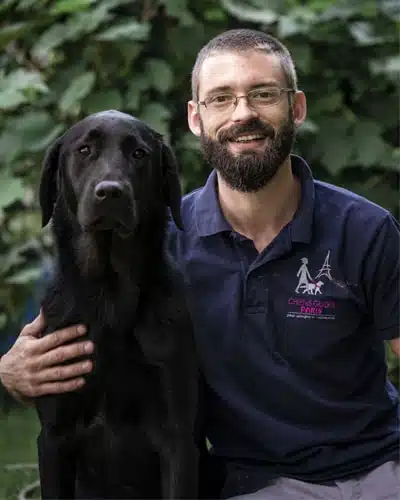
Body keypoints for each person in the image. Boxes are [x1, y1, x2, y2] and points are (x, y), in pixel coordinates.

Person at [1, 29, 399, 499]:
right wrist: (12, 371)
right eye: (221, 98)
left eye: (264, 94)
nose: (243, 113)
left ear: (297, 108)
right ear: (196, 117)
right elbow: (82, 342)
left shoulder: (366, 229)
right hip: (263, 484)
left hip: (382, 466)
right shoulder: (158, 248)